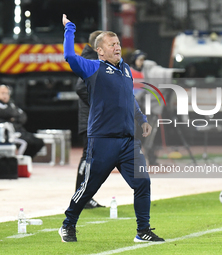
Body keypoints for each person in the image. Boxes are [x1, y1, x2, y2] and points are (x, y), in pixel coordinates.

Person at [59, 14, 164, 243]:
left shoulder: (125, 69)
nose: (117, 47)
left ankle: (143, 230)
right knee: (88, 189)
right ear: (100, 50)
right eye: (112, 44)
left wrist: (142, 119)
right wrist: (70, 29)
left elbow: (130, 99)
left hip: (128, 141)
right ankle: (68, 224)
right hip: (103, 141)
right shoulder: (93, 68)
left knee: (143, 181)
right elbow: (68, 55)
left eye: (118, 44)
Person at [74, 30, 105, 209]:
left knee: (94, 158)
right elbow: (81, 87)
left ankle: (85, 195)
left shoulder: (94, 59)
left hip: (94, 119)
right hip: (90, 119)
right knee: (89, 157)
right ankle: (81, 196)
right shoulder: (91, 61)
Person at [0, 85, 44, 158]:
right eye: (3, 93)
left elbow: (23, 117)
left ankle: (24, 160)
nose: (5, 96)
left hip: (18, 131)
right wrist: (13, 116)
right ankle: (19, 161)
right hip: (5, 134)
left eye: (7, 93)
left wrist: (13, 117)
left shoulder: (11, 103)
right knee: (25, 142)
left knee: (38, 142)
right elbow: (5, 112)